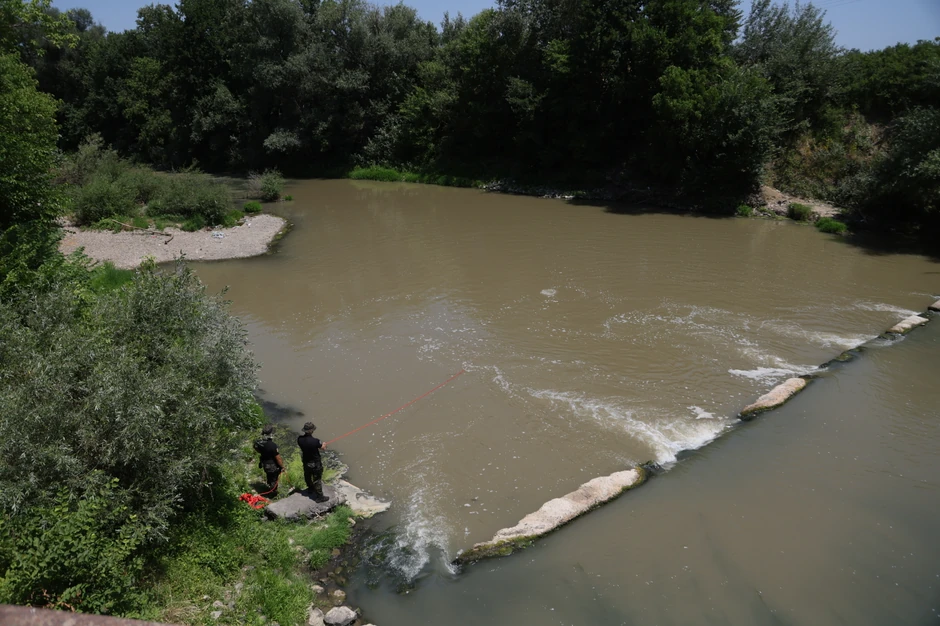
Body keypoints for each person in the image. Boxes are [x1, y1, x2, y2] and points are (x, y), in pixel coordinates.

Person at [297, 421, 329, 503]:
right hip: (315, 463)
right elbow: (323, 448)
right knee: (317, 479)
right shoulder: (315, 441)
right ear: (311, 431)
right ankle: (320, 497)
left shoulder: (300, 439)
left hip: (306, 461)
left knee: (307, 475)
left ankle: (310, 488)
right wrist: (324, 445)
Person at [253, 424, 284, 496]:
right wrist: (282, 466)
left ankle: (269, 486)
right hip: (272, 465)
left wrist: (261, 451)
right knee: (274, 479)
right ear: (271, 434)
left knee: (269, 475)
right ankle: (273, 494)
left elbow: (255, 446)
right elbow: (278, 458)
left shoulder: (259, 442)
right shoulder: (273, 445)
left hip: (265, 464)